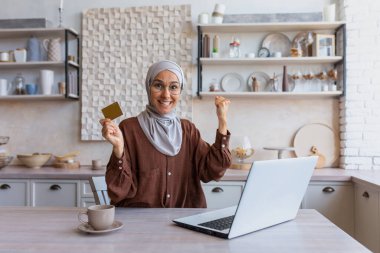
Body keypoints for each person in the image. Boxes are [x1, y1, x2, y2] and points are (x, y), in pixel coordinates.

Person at [100, 60, 231, 208]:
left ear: (180, 91)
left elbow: (212, 171)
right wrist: (118, 149)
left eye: (173, 87)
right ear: (148, 87)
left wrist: (222, 121)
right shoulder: (129, 128)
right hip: (141, 223)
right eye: (158, 85)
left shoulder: (188, 129)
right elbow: (118, 191)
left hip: (183, 222)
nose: (166, 95)